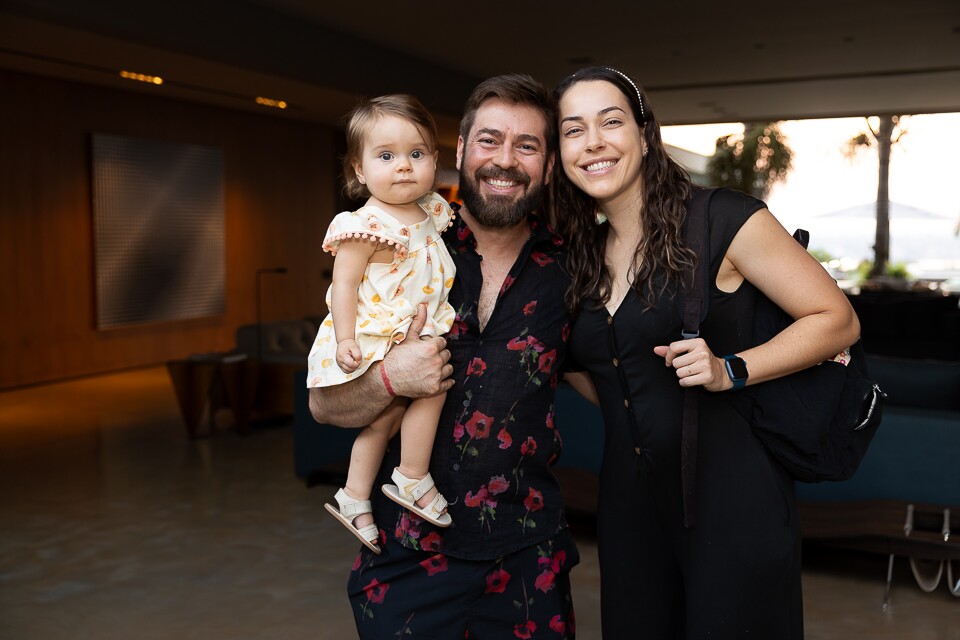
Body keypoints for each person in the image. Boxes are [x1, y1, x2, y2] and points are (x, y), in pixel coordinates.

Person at [552, 66, 861, 639]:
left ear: (644, 136)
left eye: (611, 122)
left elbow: (836, 320)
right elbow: (592, 370)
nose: (593, 141)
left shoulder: (722, 218)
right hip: (629, 506)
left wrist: (730, 370)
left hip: (733, 500)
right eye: (573, 130)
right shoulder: (581, 256)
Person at [310, 75, 579, 639]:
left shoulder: (573, 273)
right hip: (406, 560)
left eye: (526, 145)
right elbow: (323, 406)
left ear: (549, 164)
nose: (505, 160)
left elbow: (615, 381)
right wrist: (389, 376)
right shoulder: (397, 245)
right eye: (488, 140)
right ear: (458, 152)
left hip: (529, 558)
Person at [307, 94, 457, 555]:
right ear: (359, 169)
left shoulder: (432, 212)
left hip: (414, 329)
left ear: (434, 160)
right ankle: (409, 477)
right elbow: (345, 286)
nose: (404, 166)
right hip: (375, 332)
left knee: (398, 410)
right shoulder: (363, 225)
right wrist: (347, 338)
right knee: (413, 397)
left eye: (416, 154)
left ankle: (355, 496)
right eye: (386, 156)